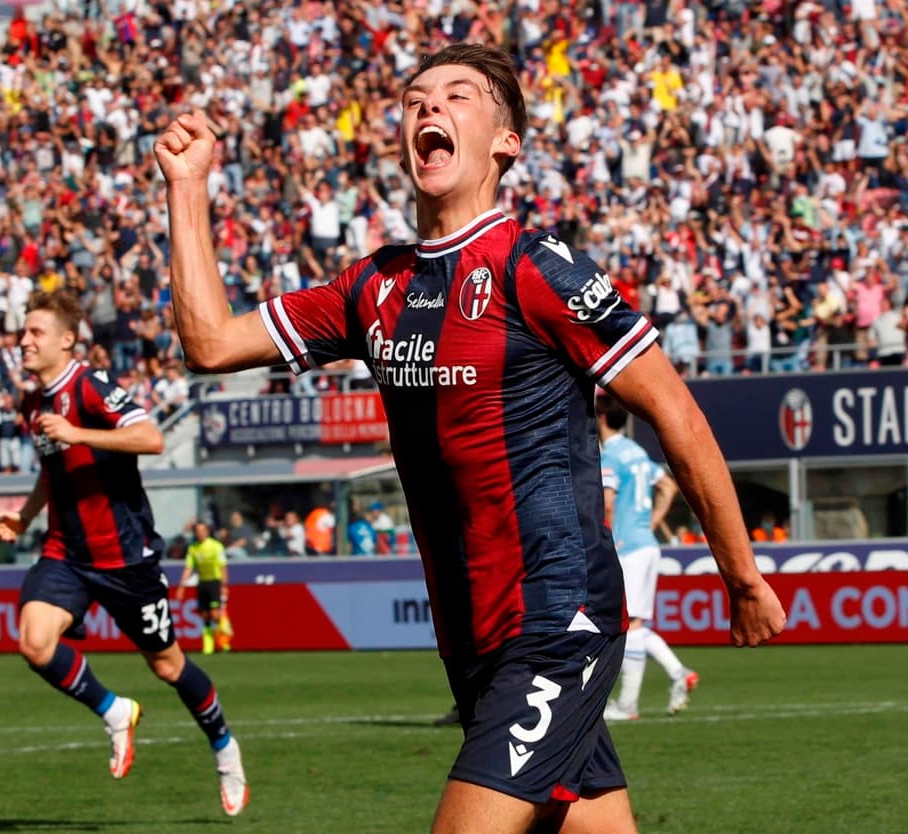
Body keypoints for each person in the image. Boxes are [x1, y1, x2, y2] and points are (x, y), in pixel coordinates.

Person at [156, 43, 785, 834]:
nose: (429, 106)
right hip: (472, 638)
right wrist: (187, 188)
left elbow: (678, 414)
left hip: (557, 622)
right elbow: (210, 344)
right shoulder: (373, 286)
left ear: (505, 142)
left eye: (458, 95)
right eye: (416, 98)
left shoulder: (538, 269)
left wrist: (742, 578)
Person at [0, 290, 248, 816]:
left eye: (36, 332)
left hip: (125, 557)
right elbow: (53, 469)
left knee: (168, 666)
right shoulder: (34, 403)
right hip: (66, 551)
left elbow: (151, 438)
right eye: (23, 332)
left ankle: (225, 747)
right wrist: (25, 515)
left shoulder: (91, 386)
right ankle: (114, 711)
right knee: (34, 643)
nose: (24, 341)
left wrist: (78, 432)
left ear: (67, 340)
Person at [596, 394, 698, 722]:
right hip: (647, 544)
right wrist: (649, 524)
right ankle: (679, 673)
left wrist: (605, 540)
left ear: (600, 418)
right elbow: (667, 486)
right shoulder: (636, 451)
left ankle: (628, 704)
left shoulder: (611, 456)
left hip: (628, 547)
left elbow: (607, 503)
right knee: (637, 623)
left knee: (630, 624)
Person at [176, 521, 230, 654]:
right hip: (202, 583)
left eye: (202, 530)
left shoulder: (216, 546)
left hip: (215, 582)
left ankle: (224, 640)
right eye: (197, 531)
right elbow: (188, 568)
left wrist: (224, 585)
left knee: (215, 614)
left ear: (207, 531)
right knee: (205, 615)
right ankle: (208, 645)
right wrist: (181, 586)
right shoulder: (193, 548)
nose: (199, 533)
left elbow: (223, 566)